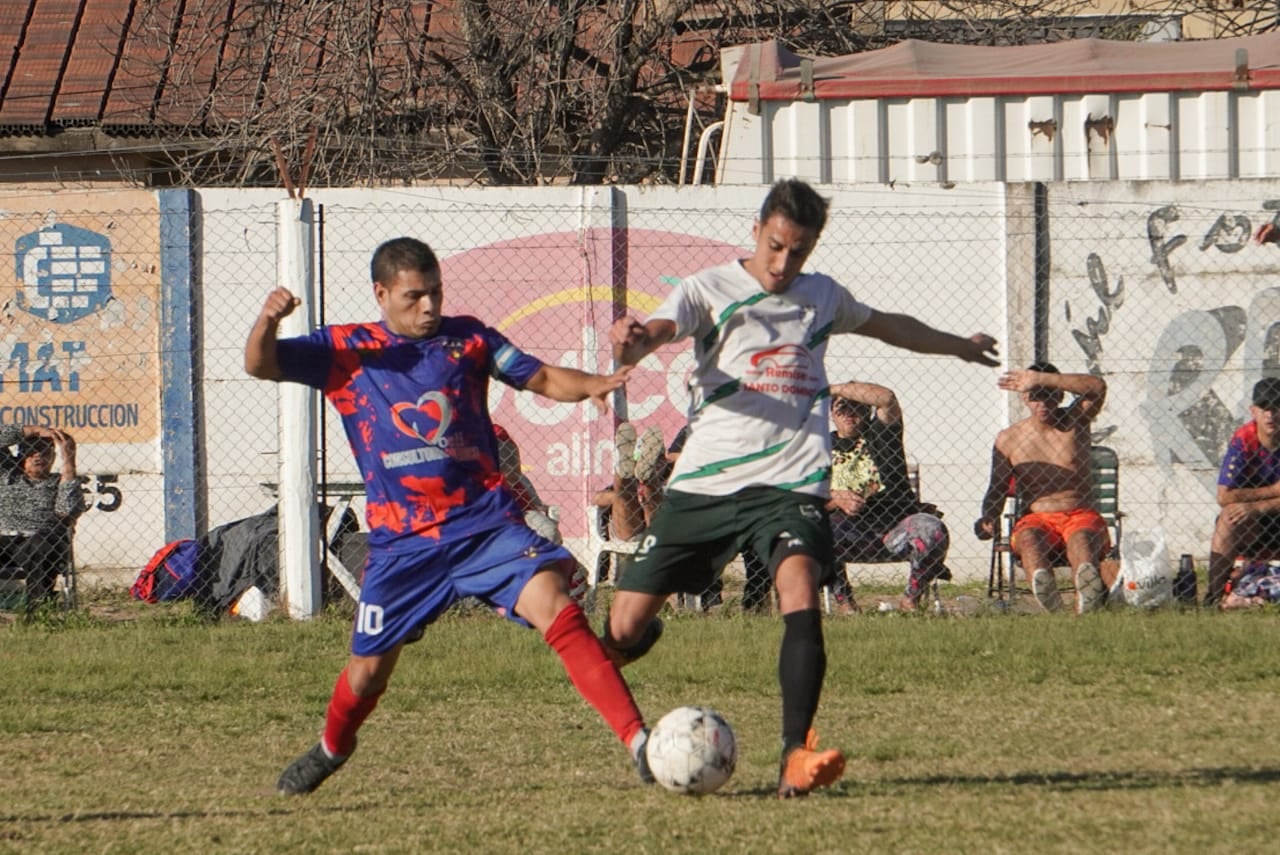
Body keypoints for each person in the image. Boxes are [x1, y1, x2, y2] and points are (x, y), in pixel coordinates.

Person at [602, 178, 999, 798]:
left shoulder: (821, 298)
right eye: (777, 246)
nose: (785, 264)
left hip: (790, 484)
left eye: (800, 252)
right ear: (758, 228)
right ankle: (641, 639)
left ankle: (795, 756)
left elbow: (891, 325)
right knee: (622, 632)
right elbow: (658, 329)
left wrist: (958, 346)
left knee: (800, 590)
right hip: (707, 483)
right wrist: (636, 338)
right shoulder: (708, 289)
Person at [246, 236, 653, 795]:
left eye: (436, 292)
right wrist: (268, 321)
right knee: (366, 675)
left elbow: (540, 377)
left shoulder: (469, 340)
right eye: (415, 297)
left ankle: (641, 744)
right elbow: (260, 364)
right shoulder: (347, 350)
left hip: (485, 527)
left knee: (559, 610)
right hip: (402, 546)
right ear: (382, 293)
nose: (430, 307)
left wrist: (593, 386)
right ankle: (332, 747)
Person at [974, 363, 1110, 614]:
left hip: (1080, 514)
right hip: (1037, 518)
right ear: (1025, 398)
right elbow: (998, 487)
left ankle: (1086, 610)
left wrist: (1040, 378)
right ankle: (1054, 612)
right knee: (1028, 539)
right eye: (1036, 396)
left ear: (1059, 395)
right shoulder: (1009, 439)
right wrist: (988, 516)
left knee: (1081, 541)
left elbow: (1097, 387)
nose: (1043, 403)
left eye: (1049, 394)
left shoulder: (1076, 421)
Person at [824, 385, 951, 614]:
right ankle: (845, 603)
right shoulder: (819, 448)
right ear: (831, 414)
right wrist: (835, 499)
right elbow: (804, 498)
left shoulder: (881, 435)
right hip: (847, 532)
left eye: (857, 407)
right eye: (842, 408)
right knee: (811, 528)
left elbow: (888, 399)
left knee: (932, 529)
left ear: (868, 411)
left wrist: (835, 389)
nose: (850, 414)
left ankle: (910, 600)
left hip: (895, 527)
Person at [1206, 376, 1280, 606]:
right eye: (1264, 408)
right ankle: (1213, 596)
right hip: (1256, 521)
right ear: (1253, 410)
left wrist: (1254, 505)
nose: (1271, 415)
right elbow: (1224, 496)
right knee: (1229, 517)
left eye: (1277, 407)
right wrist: (1272, 492)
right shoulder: (1243, 439)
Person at [0, 425, 85, 611]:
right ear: (21, 455)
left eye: (44, 452)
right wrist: (33, 430)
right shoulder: (6, 475)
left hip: (39, 542)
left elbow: (69, 511)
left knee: (42, 544)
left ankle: (37, 612)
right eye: (31, 451)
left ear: (53, 457)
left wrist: (69, 459)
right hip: (4, 540)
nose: (38, 456)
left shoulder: (58, 482)